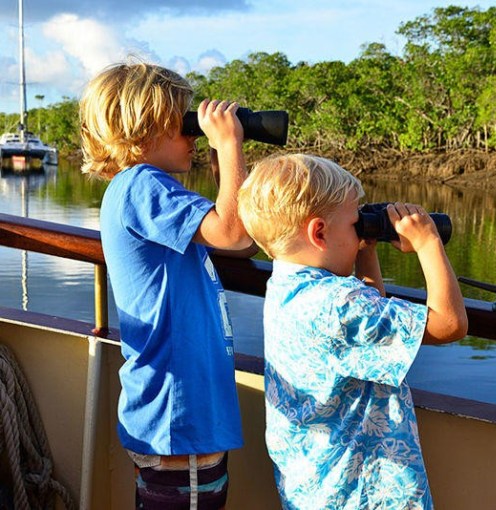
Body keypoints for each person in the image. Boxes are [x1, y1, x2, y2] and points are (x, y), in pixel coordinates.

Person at [237, 153, 468, 510]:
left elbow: (363, 330)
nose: (360, 228)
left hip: (314, 488)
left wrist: (365, 251)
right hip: (363, 493)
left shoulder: (287, 286)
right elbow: (450, 324)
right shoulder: (339, 304)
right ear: (319, 232)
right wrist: (428, 243)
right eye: (354, 223)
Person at [80, 61, 256, 510]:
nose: (194, 134)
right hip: (179, 417)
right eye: (184, 123)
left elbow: (240, 244)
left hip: (179, 415)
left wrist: (224, 166)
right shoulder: (142, 185)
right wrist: (230, 141)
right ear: (143, 130)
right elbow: (234, 233)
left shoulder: (145, 190)